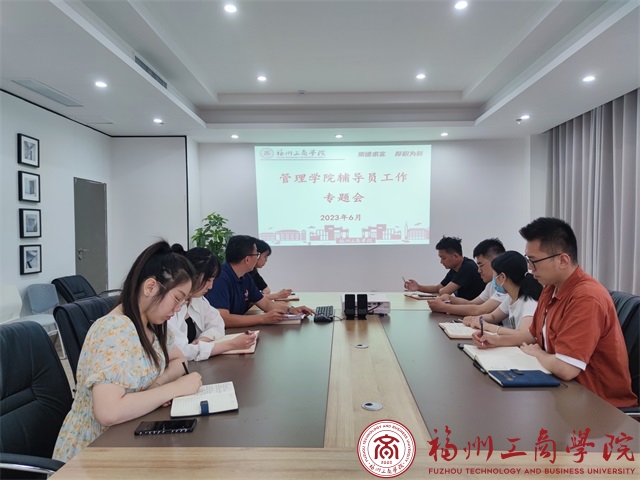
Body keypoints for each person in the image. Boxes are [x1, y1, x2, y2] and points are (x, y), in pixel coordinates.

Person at [53, 241, 203, 462]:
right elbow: (108, 412)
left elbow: (179, 359)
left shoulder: (153, 326)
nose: (179, 308)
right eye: (177, 298)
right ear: (150, 287)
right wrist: (174, 389)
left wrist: (156, 386)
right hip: (91, 454)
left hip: (128, 436)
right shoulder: (115, 329)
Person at [473, 217, 637, 408]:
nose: (529, 268)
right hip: (562, 389)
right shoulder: (550, 289)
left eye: (534, 261)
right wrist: (495, 340)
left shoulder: (587, 297)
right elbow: (532, 336)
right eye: (528, 260)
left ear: (563, 260)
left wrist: (537, 354)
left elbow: (566, 369)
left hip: (598, 404)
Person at [167, 246, 257, 361]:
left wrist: (202, 340)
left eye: (213, 280)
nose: (210, 286)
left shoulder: (197, 299)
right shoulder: (170, 307)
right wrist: (231, 344)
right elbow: (180, 352)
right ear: (193, 275)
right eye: (208, 280)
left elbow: (217, 323)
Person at [205, 235, 314, 328]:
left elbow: (265, 304)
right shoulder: (220, 279)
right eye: (256, 254)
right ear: (247, 259)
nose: (258, 258)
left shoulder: (245, 277)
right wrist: (263, 318)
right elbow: (223, 319)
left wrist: (291, 310)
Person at [463, 251, 542, 337]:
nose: (493, 279)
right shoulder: (511, 297)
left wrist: (487, 326)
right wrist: (475, 319)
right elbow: (493, 316)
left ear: (502, 277)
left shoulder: (529, 302)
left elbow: (525, 334)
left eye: (494, 274)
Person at [427, 238, 507, 316]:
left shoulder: (505, 287)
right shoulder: (491, 285)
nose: (479, 271)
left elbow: (479, 310)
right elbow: (472, 303)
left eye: (481, 265)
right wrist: (450, 298)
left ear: (495, 262)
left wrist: (444, 307)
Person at [404, 236, 484, 300]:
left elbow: (444, 292)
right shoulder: (454, 269)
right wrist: (418, 287)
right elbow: (438, 288)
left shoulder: (468, 267)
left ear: (455, 256)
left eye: (443, 258)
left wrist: (442, 291)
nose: (441, 262)